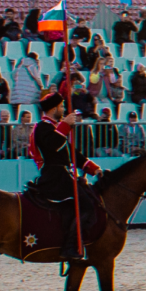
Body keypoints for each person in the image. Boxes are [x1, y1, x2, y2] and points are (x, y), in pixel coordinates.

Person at [25, 87, 103, 243]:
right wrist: (65, 125)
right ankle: (72, 244)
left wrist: (93, 168)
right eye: (61, 106)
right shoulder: (43, 127)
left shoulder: (55, 127)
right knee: (86, 204)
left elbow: (72, 153)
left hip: (63, 175)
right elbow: (52, 145)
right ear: (53, 109)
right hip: (54, 176)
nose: (64, 109)